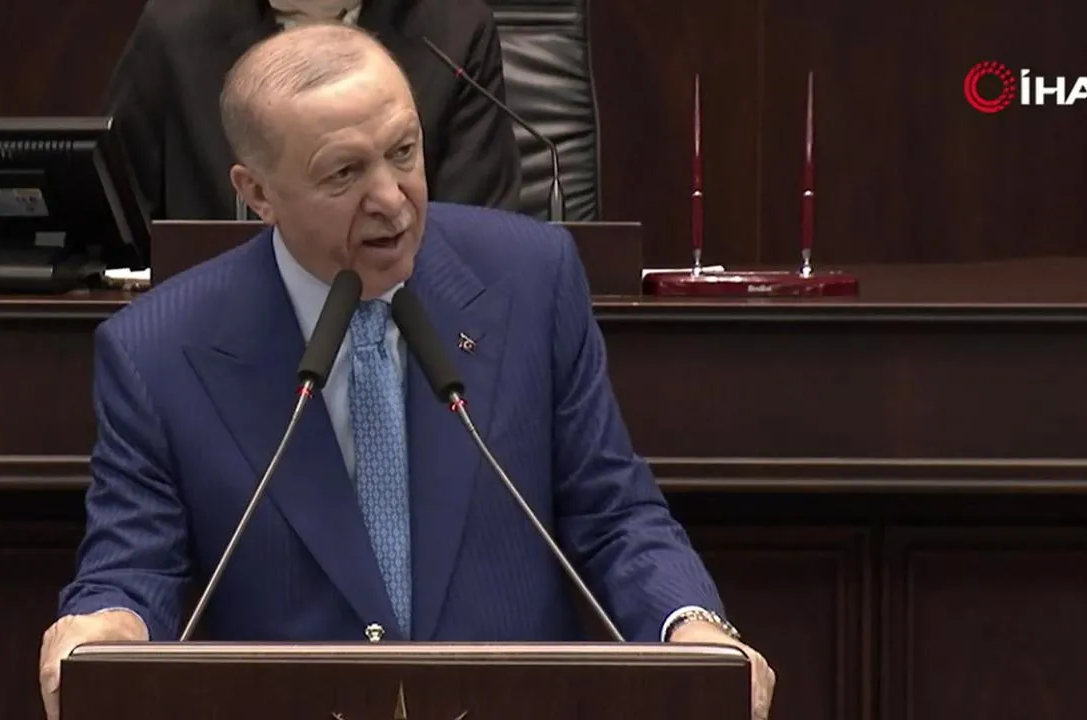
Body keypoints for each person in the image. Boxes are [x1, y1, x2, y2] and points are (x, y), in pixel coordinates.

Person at [40, 22, 775, 720]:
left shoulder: (531, 279)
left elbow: (611, 510)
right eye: (344, 173)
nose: (391, 199)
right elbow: (134, 564)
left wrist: (692, 625)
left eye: (403, 152)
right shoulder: (158, 349)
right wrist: (104, 627)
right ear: (257, 192)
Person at [106, 0, 522, 219]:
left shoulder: (454, 28)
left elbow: (477, 226)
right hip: (222, 319)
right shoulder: (176, 28)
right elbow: (117, 214)